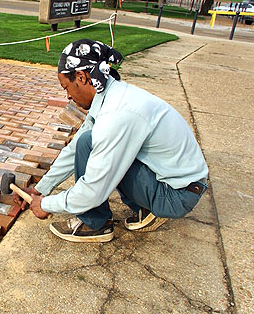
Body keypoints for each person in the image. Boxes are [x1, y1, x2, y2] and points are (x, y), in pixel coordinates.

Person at [16, 39, 208, 243]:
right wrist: (41, 188)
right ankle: (144, 207)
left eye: (66, 87)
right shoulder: (113, 95)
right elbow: (75, 149)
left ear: (81, 77)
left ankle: (95, 224)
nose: (68, 96)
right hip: (178, 184)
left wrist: (46, 204)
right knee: (86, 142)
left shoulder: (117, 114)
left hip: (176, 196)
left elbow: (93, 190)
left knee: (99, 158)